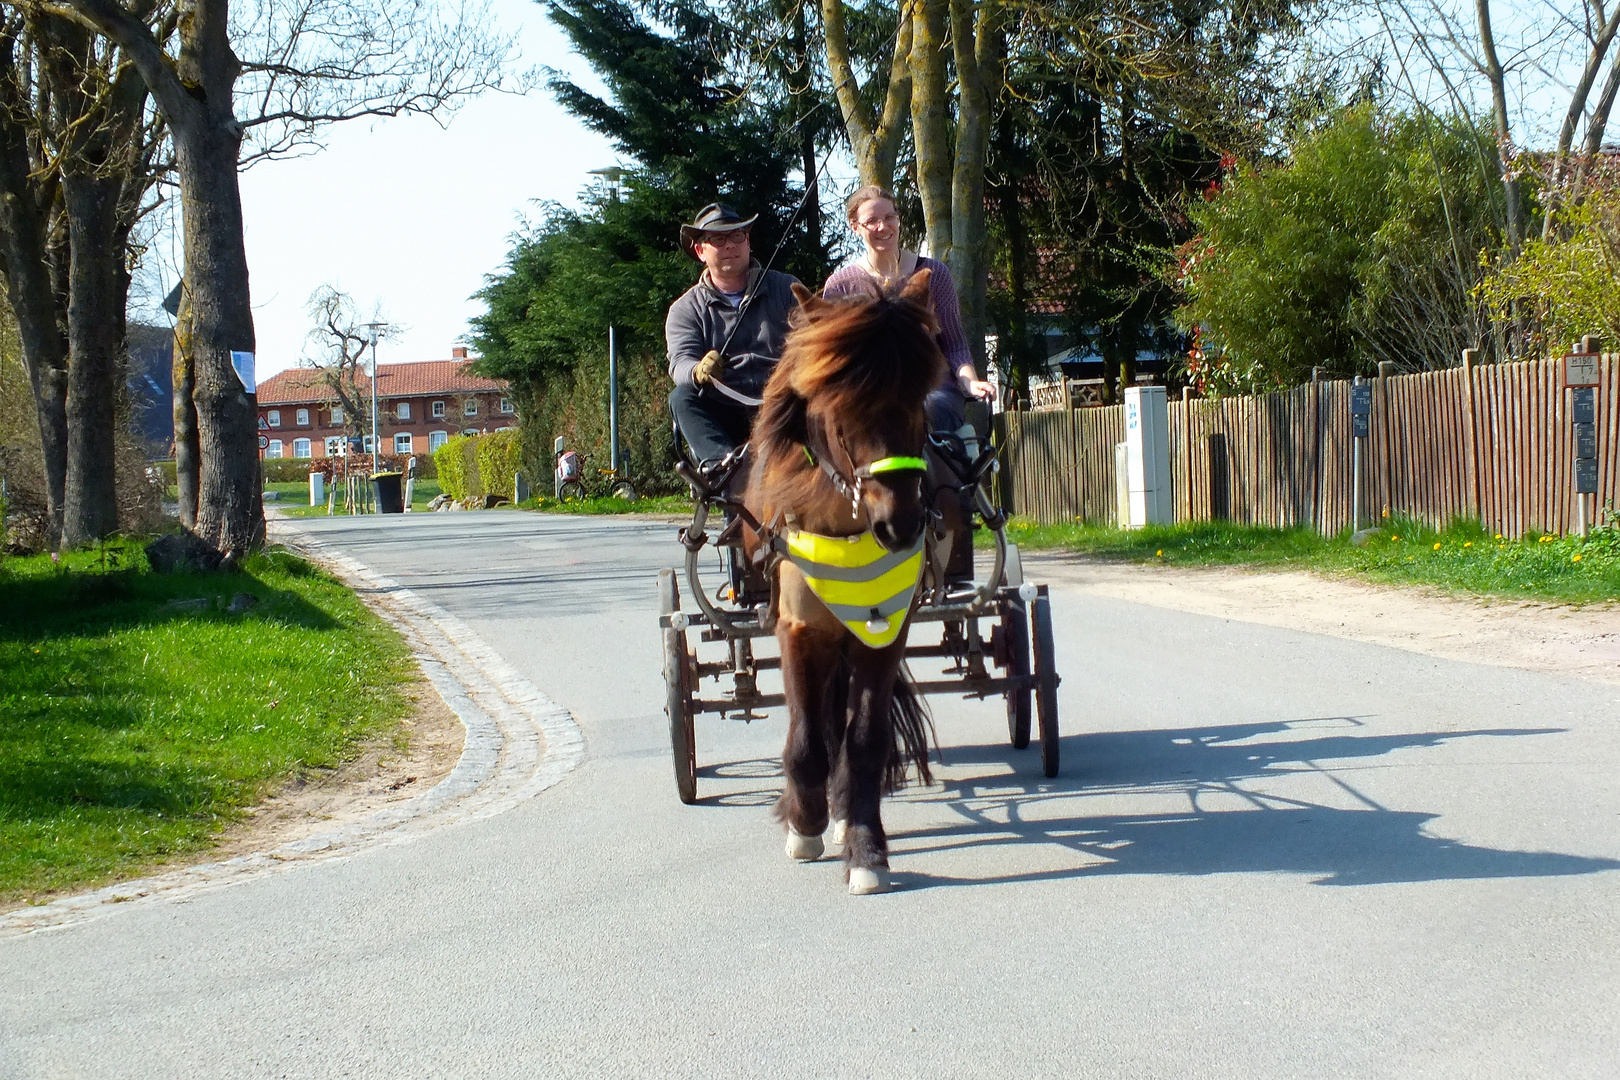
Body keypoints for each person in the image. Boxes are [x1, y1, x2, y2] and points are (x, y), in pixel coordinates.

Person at [821, 186, 996, 444]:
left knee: (922, 412)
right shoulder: (840, 286)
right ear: (855, 226)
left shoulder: (935, 274)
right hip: (869, 394)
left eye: (889, 217)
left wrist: (970, 382)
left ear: (898, 219)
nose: (883, 227)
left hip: (932, 391)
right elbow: (834, 357)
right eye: (872, 221)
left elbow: (955, 344)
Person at [665, 203, 802, 472]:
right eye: (718, 238)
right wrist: (697, 371)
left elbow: (813, 338)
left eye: (737, 236)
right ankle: (727, 472)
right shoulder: (684, 309)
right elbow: (679, 362)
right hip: (724, 410)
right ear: (700, 250)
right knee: (681, 397)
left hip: (785, 406)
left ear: (748, 241)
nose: (730, 245)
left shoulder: (785, 288)